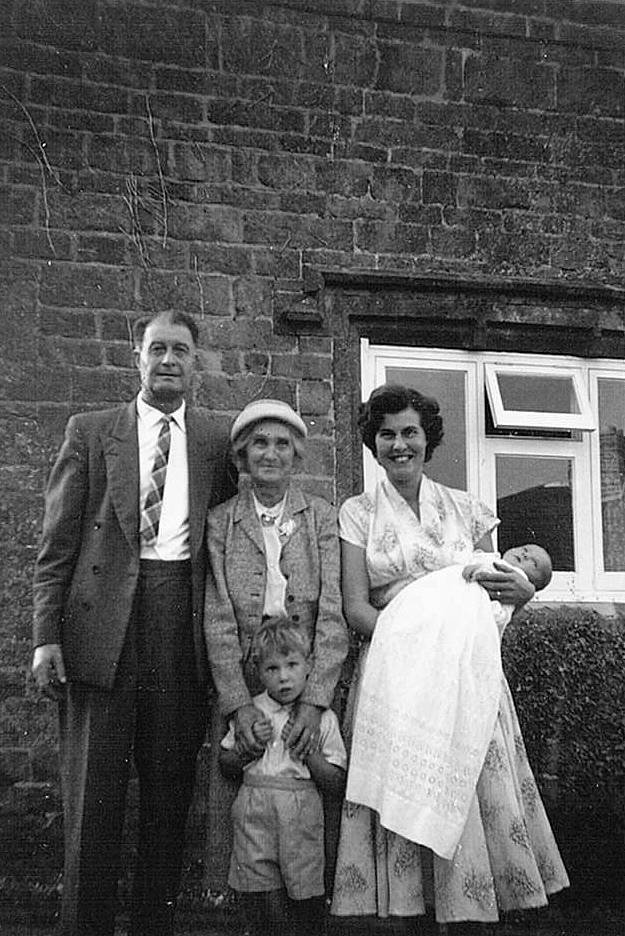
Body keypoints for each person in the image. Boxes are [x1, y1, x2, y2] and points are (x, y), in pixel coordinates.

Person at [331, 383, 569, 925]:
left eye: (409, 432)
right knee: (403, 792)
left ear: (427, 438)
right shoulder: (358, 513)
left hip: (463, 672)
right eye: (386, 434)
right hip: (395, 667)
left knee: (467, 787)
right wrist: (414, 640)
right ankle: (407, 912)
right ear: (373, 443)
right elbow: (355, 606)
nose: (399, 445)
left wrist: (523, 595)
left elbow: (495, 598)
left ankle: (469, 909)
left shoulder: (466, 509)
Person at [31, 311, 234, 936]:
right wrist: (45, 637)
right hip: (101, 629)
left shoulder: (217, 438)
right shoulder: (92, 431)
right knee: (93, 799)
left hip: (180, 625)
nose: (168, 360)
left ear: (196, 362)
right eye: (157, 349)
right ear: (137, 358)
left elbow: (231, 536)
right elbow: (56, 545)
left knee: (169, 799)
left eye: (181, 350)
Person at [202, 398, 349, 896]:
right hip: (247, 676)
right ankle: (244, 901)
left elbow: (333, 612)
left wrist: (315, 700)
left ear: (296, 455)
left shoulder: (321, 517)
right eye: (259, 443)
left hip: (304, 673)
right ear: (243, 455)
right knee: (243, 795)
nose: (271, 453)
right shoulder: (222, 521)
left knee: (310, 790)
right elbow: (218, 617)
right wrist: (237, 704)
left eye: (282, 444)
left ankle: (313, 900)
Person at [219, 619, 347, 936]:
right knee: (262, 897)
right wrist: (247, 749)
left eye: (292, 665)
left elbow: (336, 782)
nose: (284, 677)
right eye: (272, 668)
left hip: (300, 815)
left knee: (304, 898)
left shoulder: (321, 719)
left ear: (309, 666)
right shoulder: (251, 713)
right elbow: (226, 764)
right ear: (258, 672)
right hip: (255, 813)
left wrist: (310, 753)